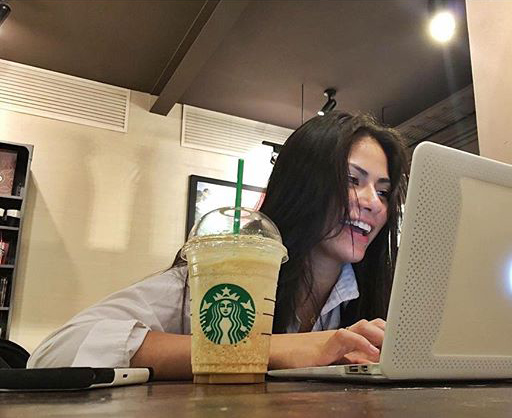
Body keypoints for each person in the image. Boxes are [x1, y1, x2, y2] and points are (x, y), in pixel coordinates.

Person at [27, 111, 409, 380]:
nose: (373, 202)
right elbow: (55, 352)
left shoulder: (369, 297)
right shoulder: (220, 275)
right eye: (351, 179)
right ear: (304, 185)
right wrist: (273, 350)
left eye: (384, 190)